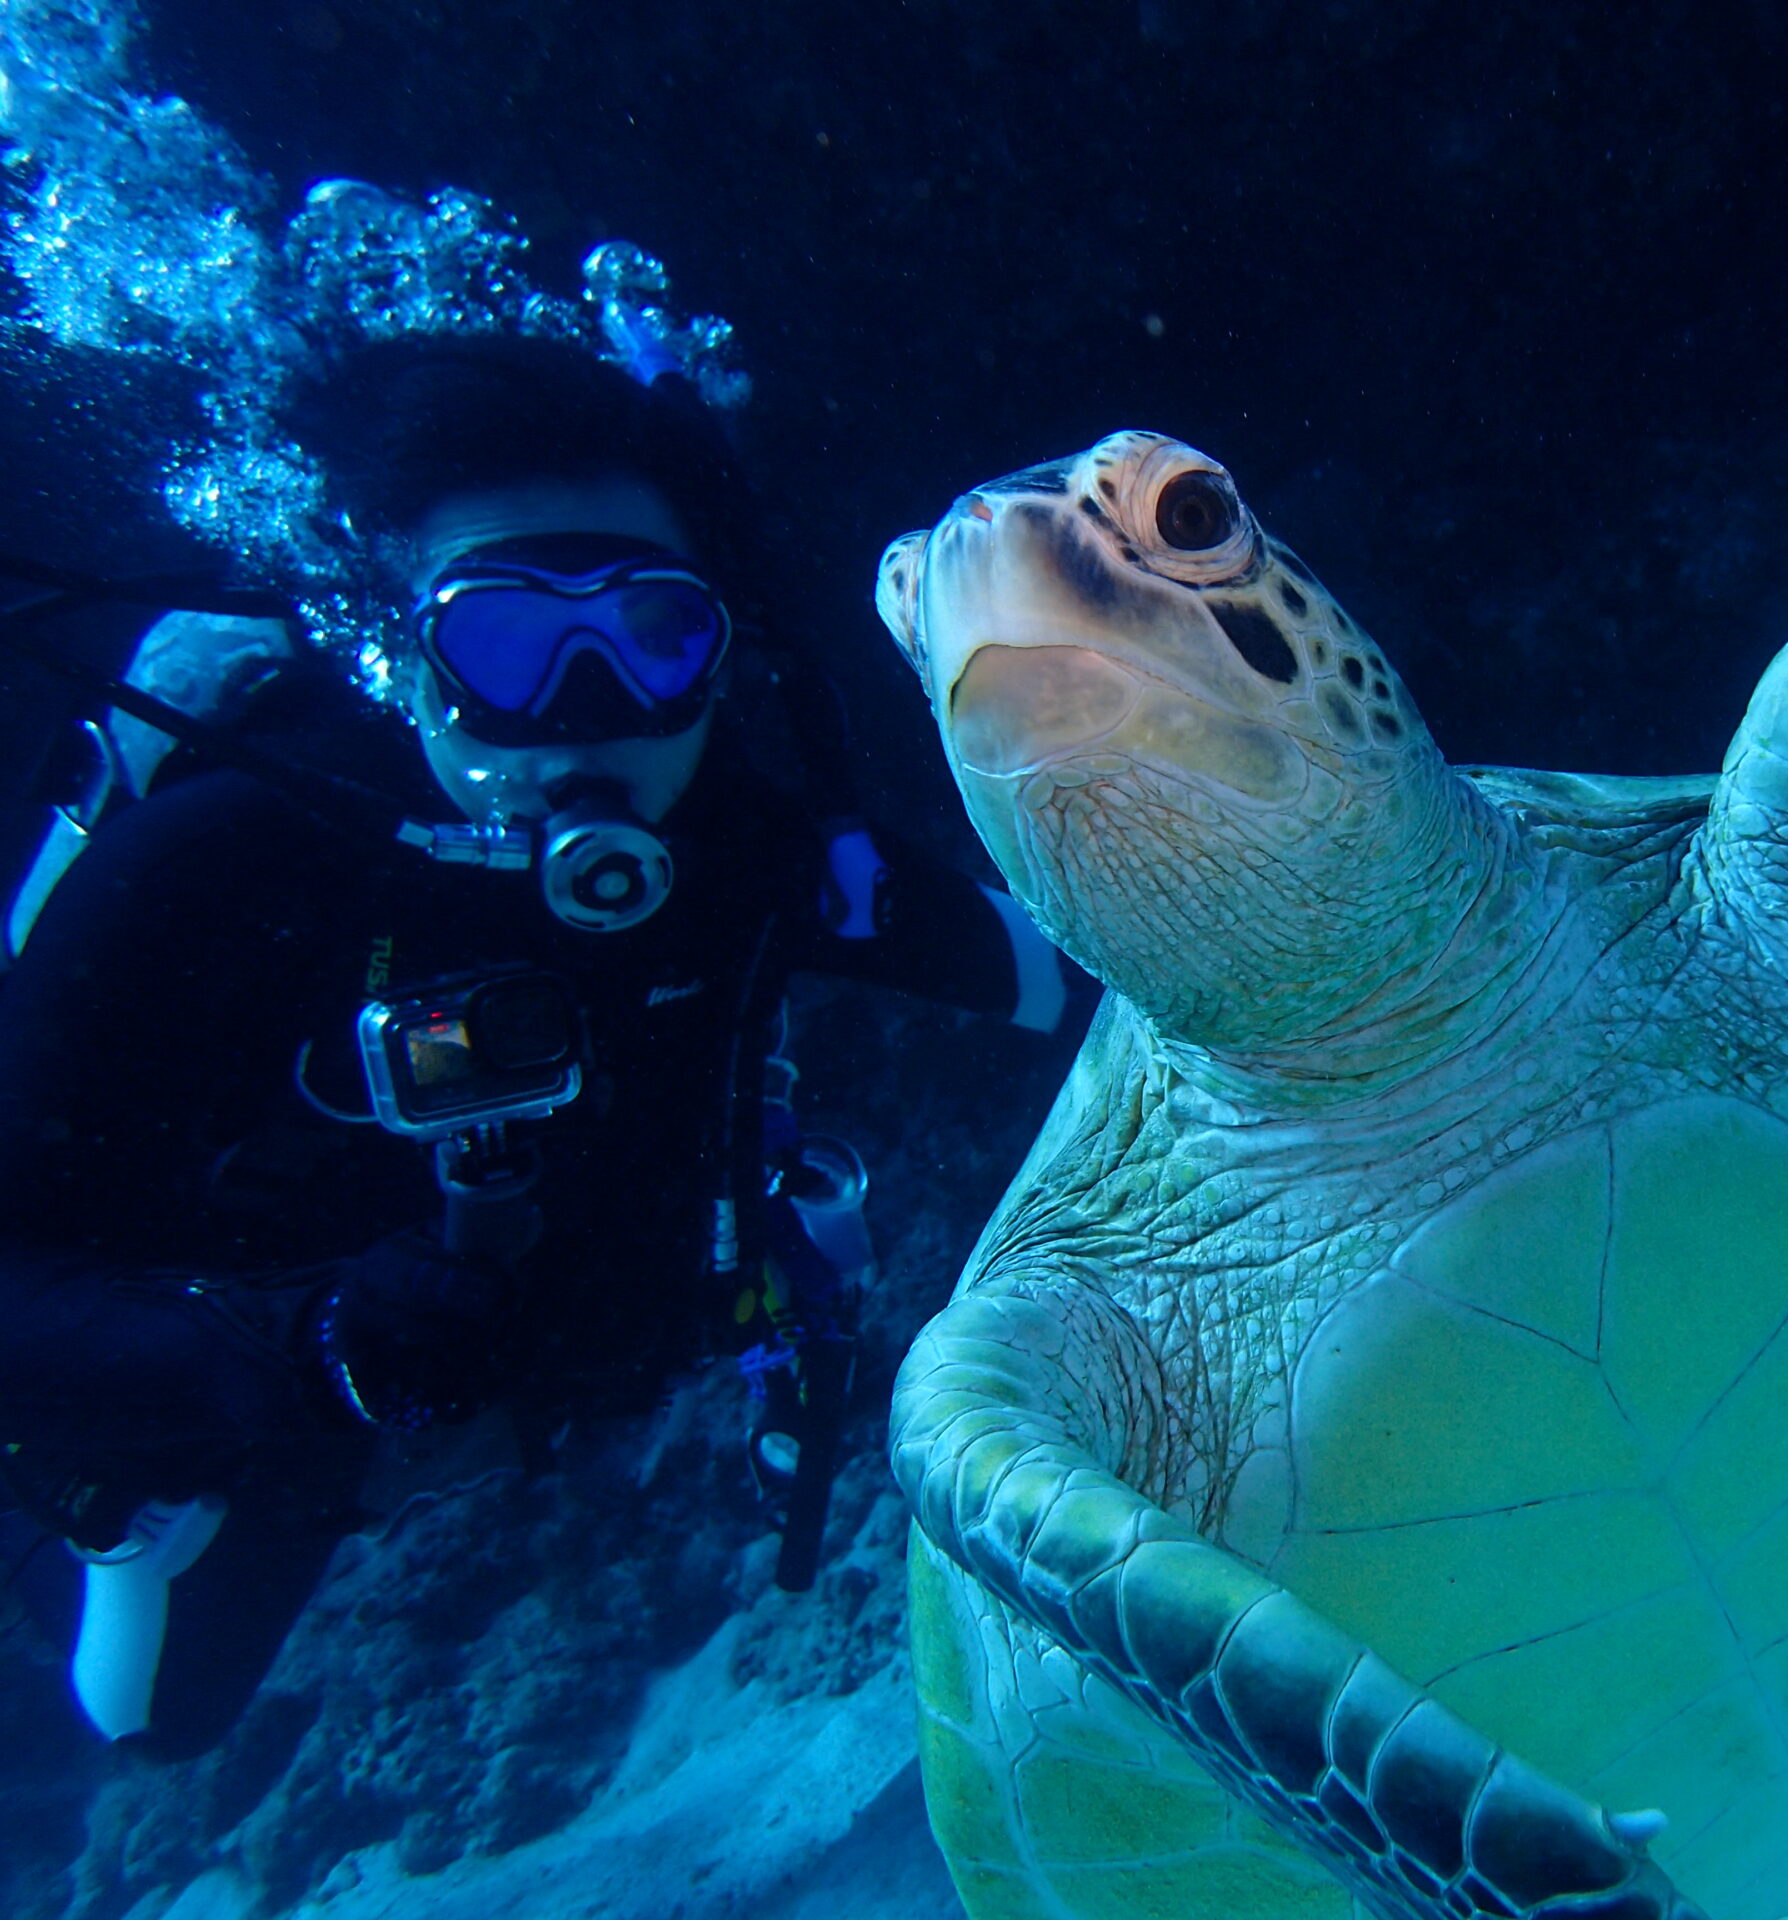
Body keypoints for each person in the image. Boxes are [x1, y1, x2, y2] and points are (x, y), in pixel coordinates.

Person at [0, 334, 1081, 1761]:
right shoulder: (226, 863)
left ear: (718, 654)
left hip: (559, 1367)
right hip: (286, 1388)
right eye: (506, 644)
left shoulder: (760, 861)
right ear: (409, 657)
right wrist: (289, 1351)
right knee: (158, 1718)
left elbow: (1077, 982)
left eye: (648, 638)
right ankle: (127, 1529)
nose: (582, 710)